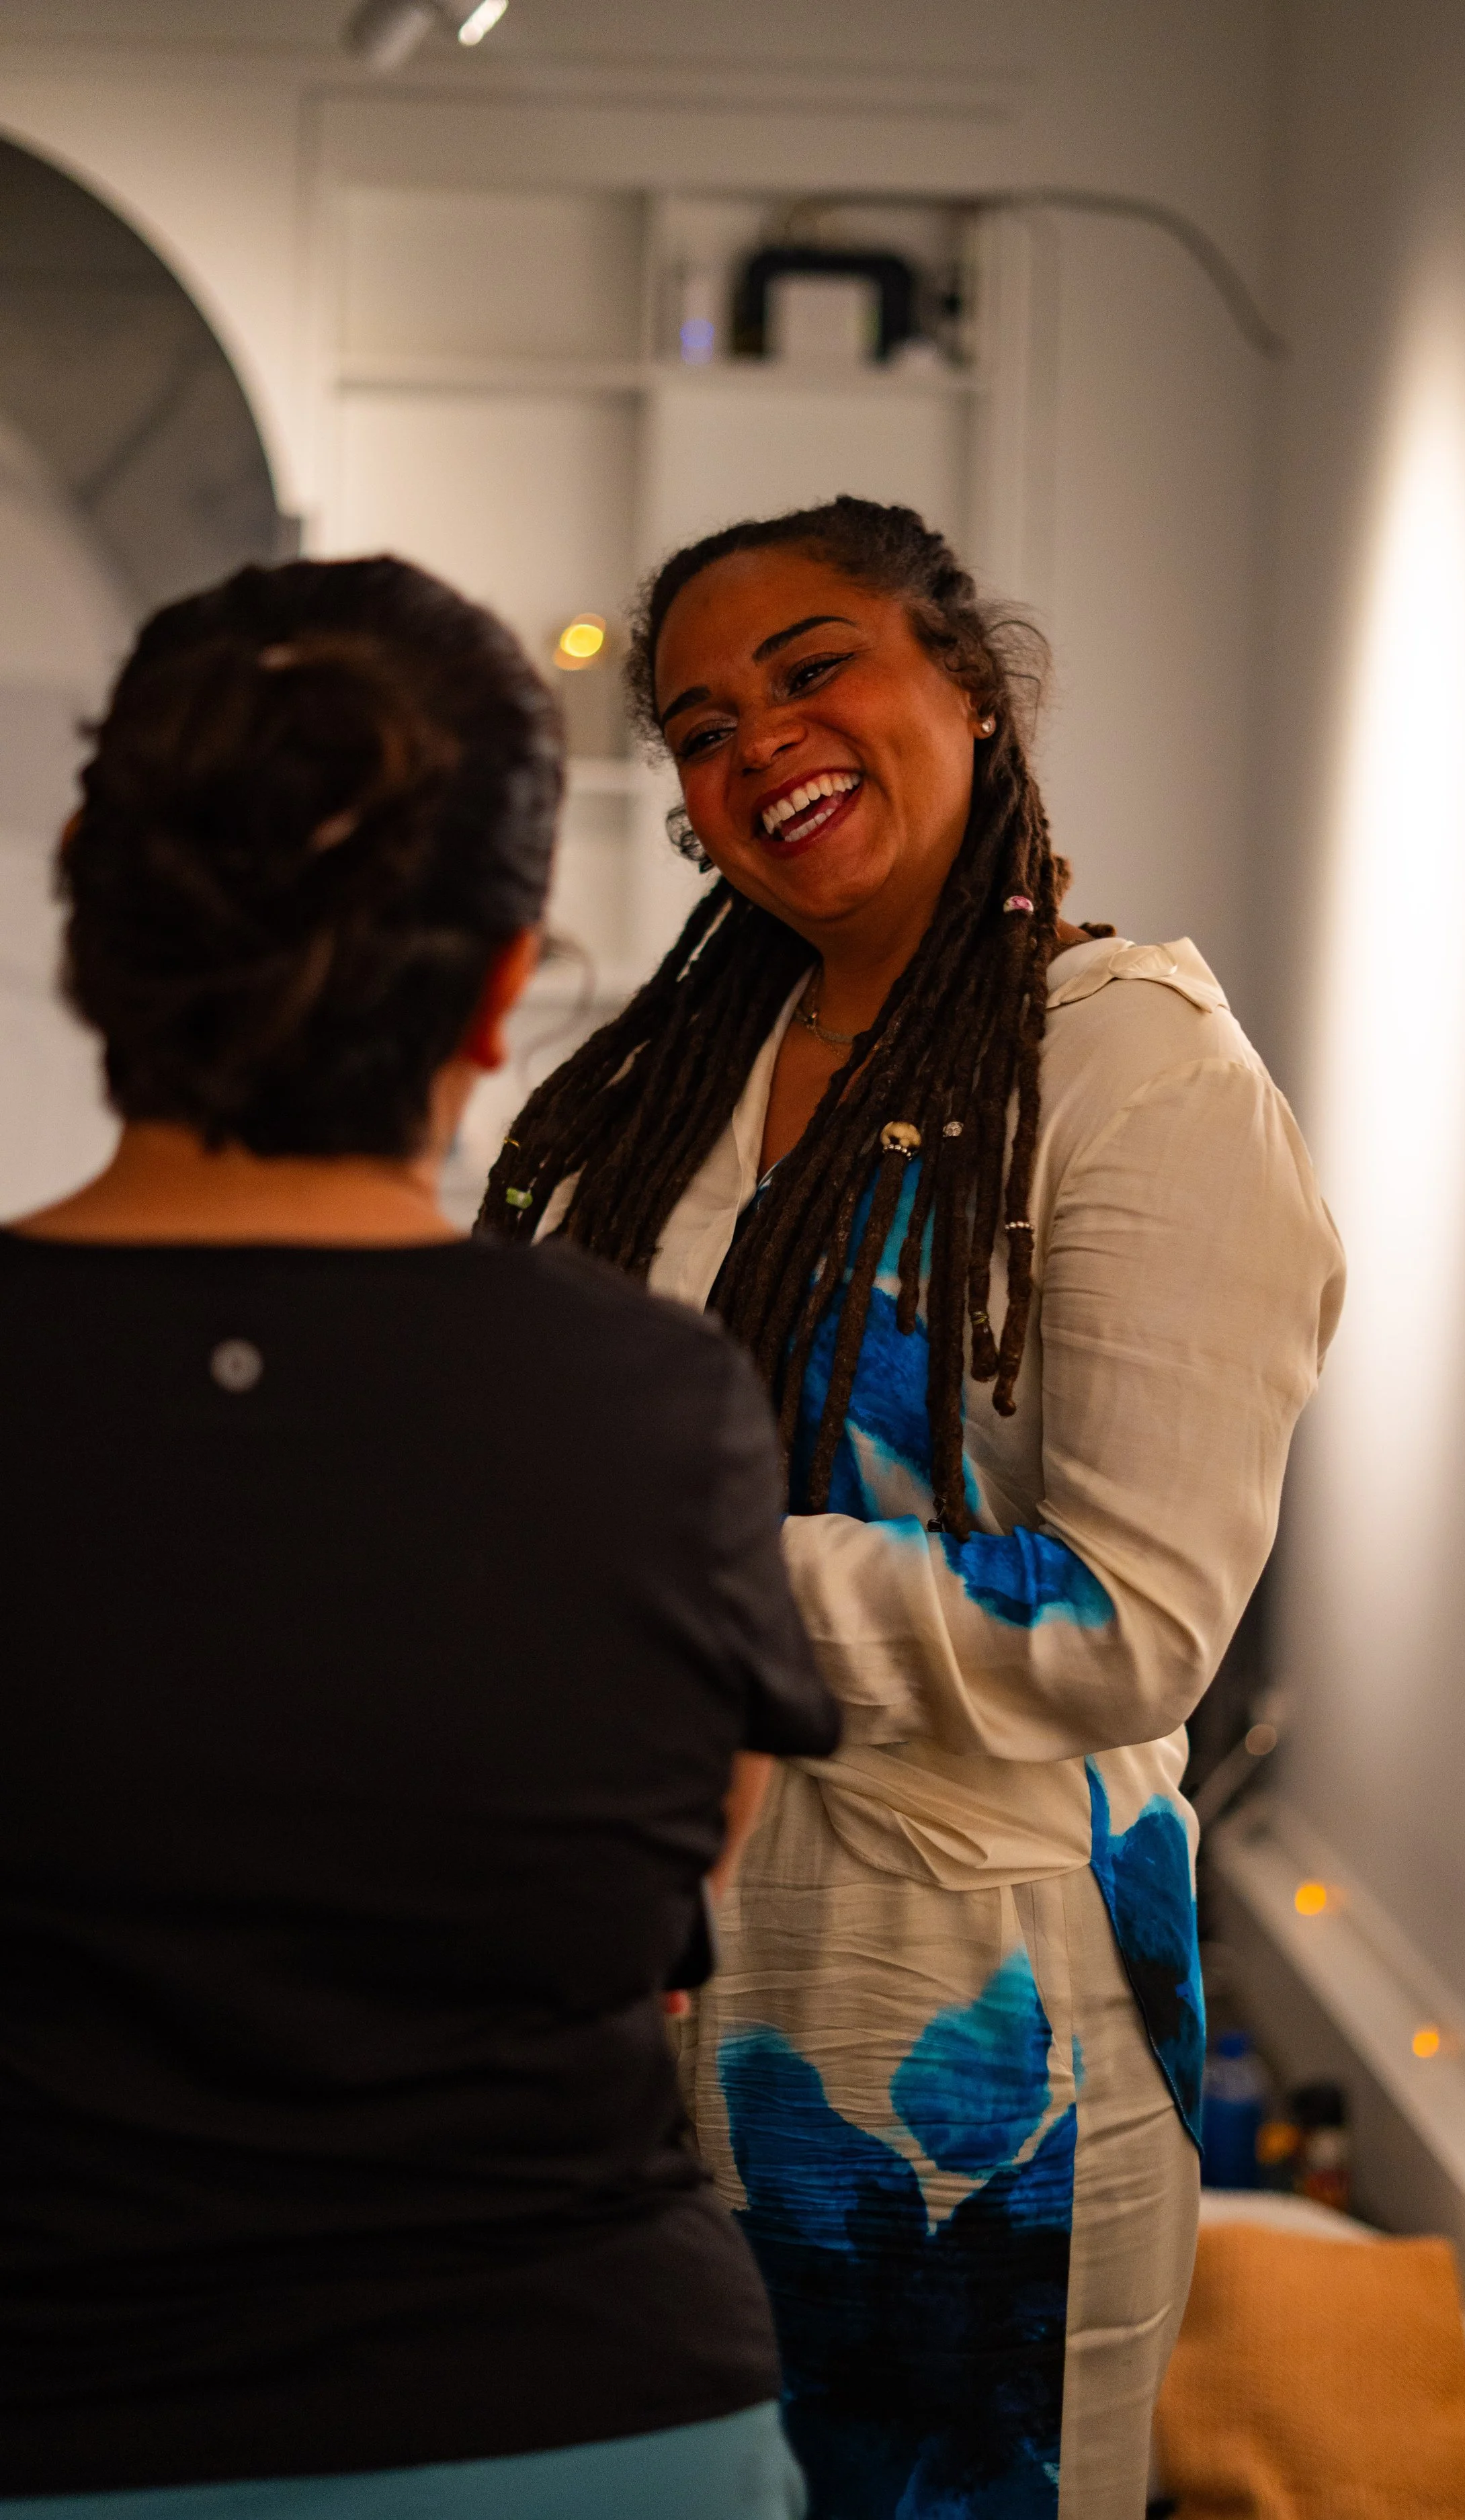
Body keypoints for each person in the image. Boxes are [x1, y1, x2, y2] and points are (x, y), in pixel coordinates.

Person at [483, 497, 1345, 2520]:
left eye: (811, 670)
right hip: (643, 1984)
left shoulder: (1133, 1073)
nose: (756, 741)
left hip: (970, 2034)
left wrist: (673, 1583)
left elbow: (1130, 1623)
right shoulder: (678, 1074)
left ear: (969, 679)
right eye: (698, 724)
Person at [0, 556, 838, 2517]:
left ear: (91, 937)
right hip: (592, 2426)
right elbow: (656, 1905)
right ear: (492, 985)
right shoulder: (660, 1408)